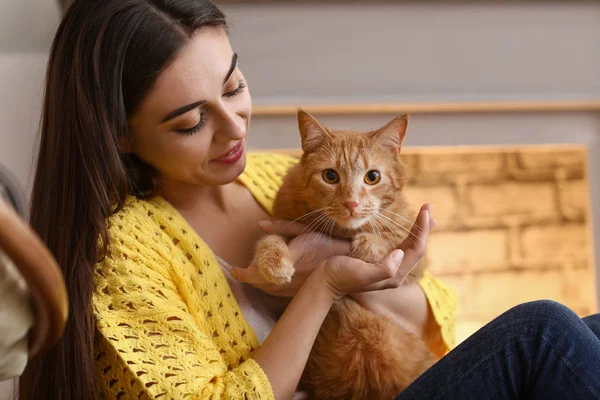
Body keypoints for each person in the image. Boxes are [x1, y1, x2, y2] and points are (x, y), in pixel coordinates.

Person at [19, 1, 599, 399]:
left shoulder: (279, 175)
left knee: (590, 328)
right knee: (543, 332)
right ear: (118, 133)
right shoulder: (124, 254)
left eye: (233, 87)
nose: (235, 128)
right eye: (194, 120)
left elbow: (432, 313)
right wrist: (321, 287)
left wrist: (384, 277)